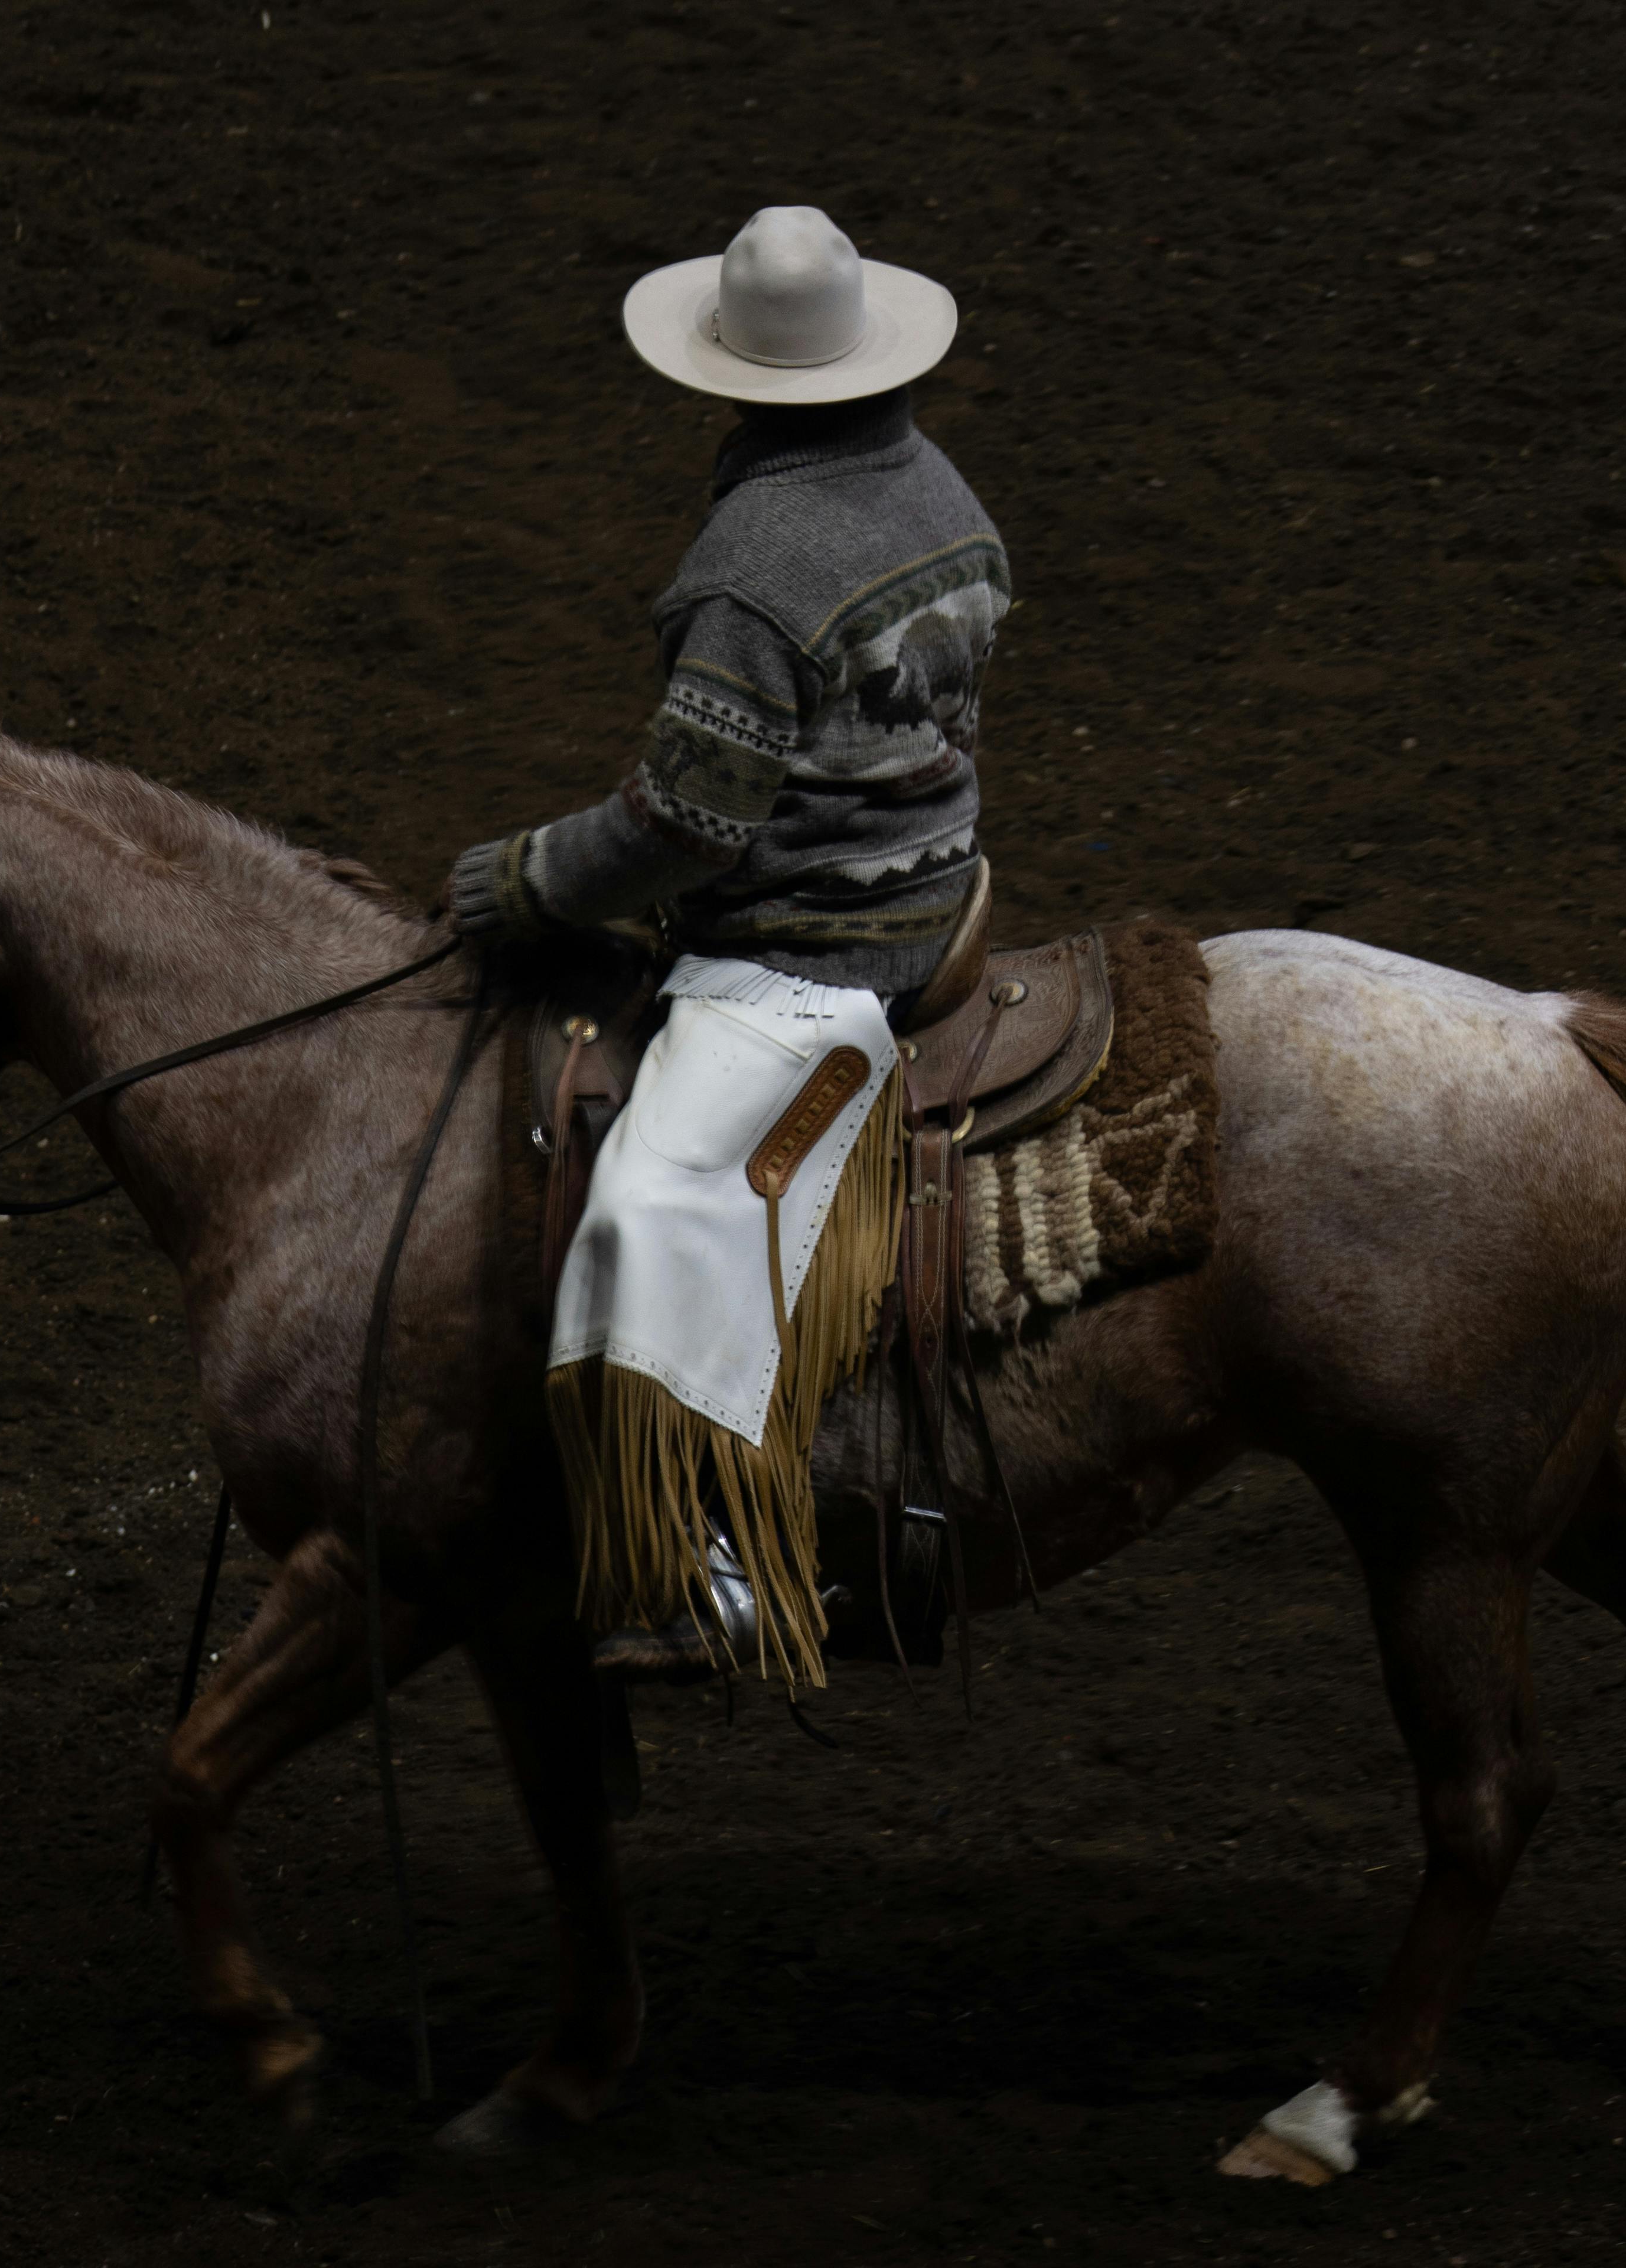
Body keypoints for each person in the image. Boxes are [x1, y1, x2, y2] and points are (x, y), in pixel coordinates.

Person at [449, 206, 1011, 1681]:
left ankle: (708, 1569)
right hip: (947, 886)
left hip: (821, 955)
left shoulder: (749, 568)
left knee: (650, 1195)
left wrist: (525, 879)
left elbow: (684, 826)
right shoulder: (941, 485)